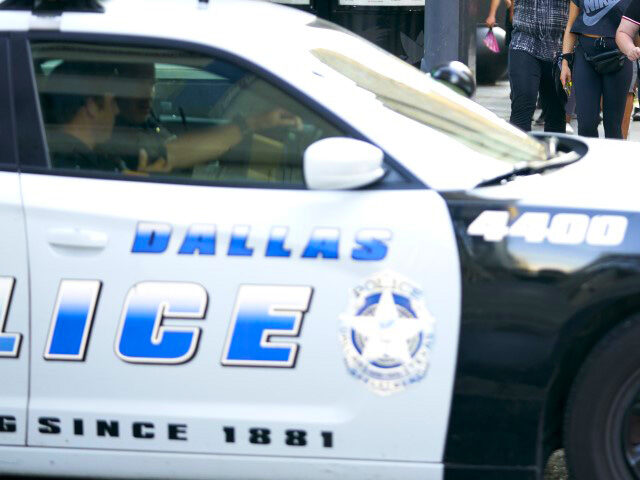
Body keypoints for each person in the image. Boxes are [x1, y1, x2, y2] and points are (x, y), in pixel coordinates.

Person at [108, 63, 301, 173]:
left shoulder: (145, 121)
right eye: (136, 85)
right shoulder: (115, 135)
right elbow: (170, 154)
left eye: (151, 84)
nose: (147, 94)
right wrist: (254, 123)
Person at [41, 61, 169, 172]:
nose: (117, 110)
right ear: (92, 107)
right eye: (113, 102)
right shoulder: (75, 170)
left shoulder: (63, 159)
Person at [561, 0, 632, 138]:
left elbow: (636, 29)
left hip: (619, 59)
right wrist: (565, 61)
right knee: (586, 124)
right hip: (586, 56)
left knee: (613, 126)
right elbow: (570, 24)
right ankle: (591, 159)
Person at [506, 0, 569, 133]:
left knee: (556, 112)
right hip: (524, 40)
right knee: (522, 104)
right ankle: (518, 152)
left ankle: (555, 152)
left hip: (560, 47)